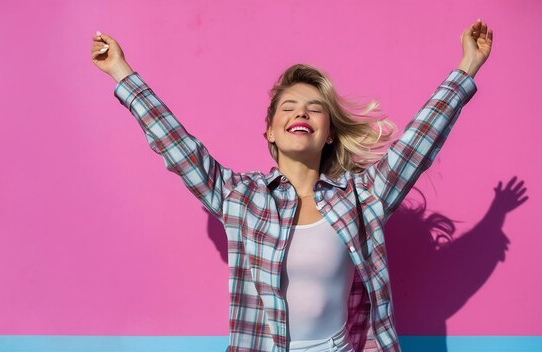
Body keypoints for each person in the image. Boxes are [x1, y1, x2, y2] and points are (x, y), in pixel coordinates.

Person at [90, 19, 493, 352]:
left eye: (314, 108)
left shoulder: (361, 196)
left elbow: (416, 146)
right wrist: (122, 74)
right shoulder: (240, 198)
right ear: (270, 130)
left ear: (329, 134)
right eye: (289, 107)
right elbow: (178, 148)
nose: (302, 112)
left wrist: (467, 68)